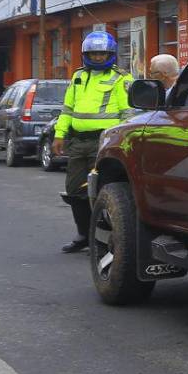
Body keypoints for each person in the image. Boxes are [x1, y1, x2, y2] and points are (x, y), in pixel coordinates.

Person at [51, 31, 133, 253]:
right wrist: (60, 135)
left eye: (102, 54)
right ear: (86, 54)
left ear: (111, 54)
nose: (98, 58)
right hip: (78, 143)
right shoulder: (78, 77)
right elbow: (67, 109)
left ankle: (106, 238)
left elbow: (128, 113)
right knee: (75, 189)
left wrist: (120, 140)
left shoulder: (121, 78)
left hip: (105, 142)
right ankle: (83, 235)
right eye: (93, 54)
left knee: (104, 191)